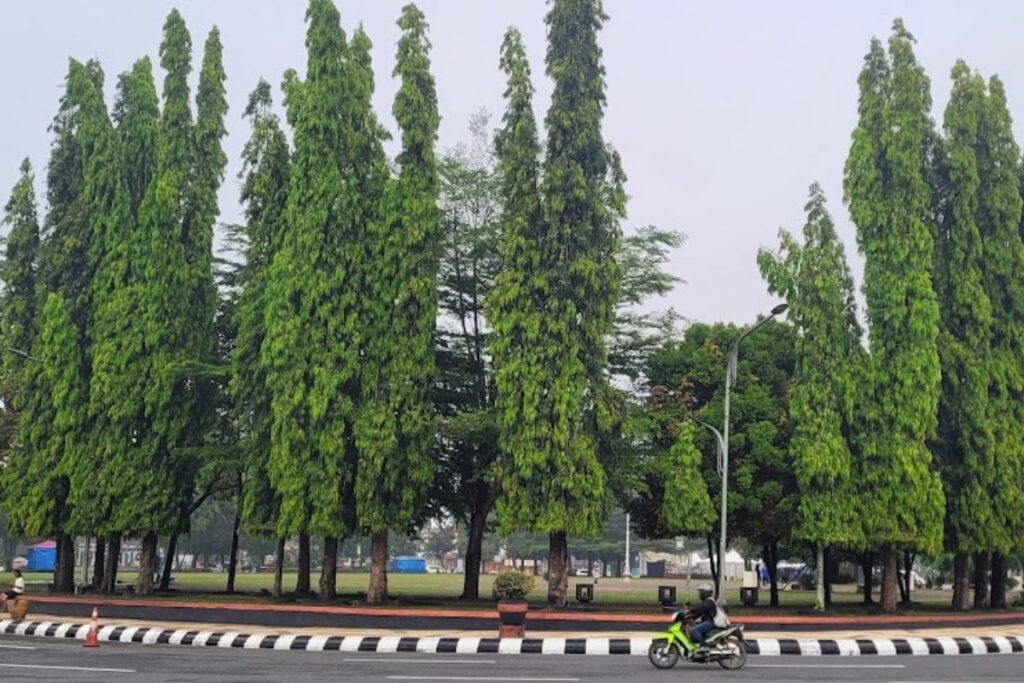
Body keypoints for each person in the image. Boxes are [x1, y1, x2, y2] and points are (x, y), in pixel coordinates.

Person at [686, 584, 725, 652]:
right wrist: (689, 616)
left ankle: (704, 646)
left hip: (711, 622)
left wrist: (690, 610)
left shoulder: (709, 601)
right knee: (695, 627)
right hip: (707, 621)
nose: (700, 594)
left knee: (694, 630)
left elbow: (701, 609)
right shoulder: (706, 601)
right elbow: (699, 613)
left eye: (701, 592)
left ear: (705, 593)